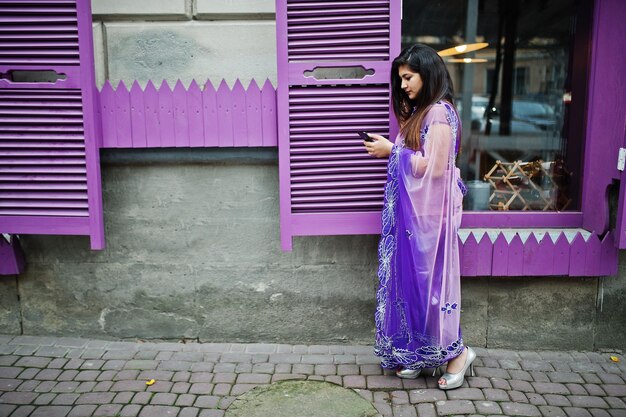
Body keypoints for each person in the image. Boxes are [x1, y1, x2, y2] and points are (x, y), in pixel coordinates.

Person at [363, 44, 475, 390]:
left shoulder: (439, 113)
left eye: (408, 77)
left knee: (433, 292)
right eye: (400, 79)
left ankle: (459, 354)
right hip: (416, 217)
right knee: (414, 291)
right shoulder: (423, 113)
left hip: (430, 220)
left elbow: (435, 168)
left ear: (427, 74)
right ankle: (417, 353)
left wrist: (391, 150)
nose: (403, 85)